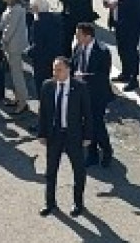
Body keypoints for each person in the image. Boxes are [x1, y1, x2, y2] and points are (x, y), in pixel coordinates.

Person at [37, 57, 91, 218]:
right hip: (54, 135)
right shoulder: (47, 86)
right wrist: (42, 133)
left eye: (59, 70)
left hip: (73, 135)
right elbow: (43, 112)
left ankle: (78, 203)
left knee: (79, 171)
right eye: (54, 69)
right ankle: (50, 202)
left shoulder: (80, 87)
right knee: (51, 171)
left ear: (68, 70)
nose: (55, 73)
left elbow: (87, 114)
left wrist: (87, 136)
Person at [72, 23, 113, 168]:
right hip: (81, 94)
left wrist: (84, 77)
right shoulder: (78, 47)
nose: (76, 37)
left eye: (79, 35)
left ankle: (107, 150)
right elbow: (74, 65)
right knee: (87, 124)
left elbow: (103, 76)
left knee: (97, 124)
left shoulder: (102, 51)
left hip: (97, 95)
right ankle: (92, 153)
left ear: (88, 36)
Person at [104, 0, 140, 92]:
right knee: (121, 50)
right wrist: (108, 3)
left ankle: (133, 78)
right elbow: (105, 0)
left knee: (131, 52)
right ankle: (125, 73)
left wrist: (118, 3)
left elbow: (136, 10)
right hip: (118, 26)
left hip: (131, 28)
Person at [25, 0, 62, 96]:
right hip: (54, 57)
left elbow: (38, 45)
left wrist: (28, 52)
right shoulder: (56, 18)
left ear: (36, 7)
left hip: (42, 61)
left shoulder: (38, 23)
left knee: (42, 87)